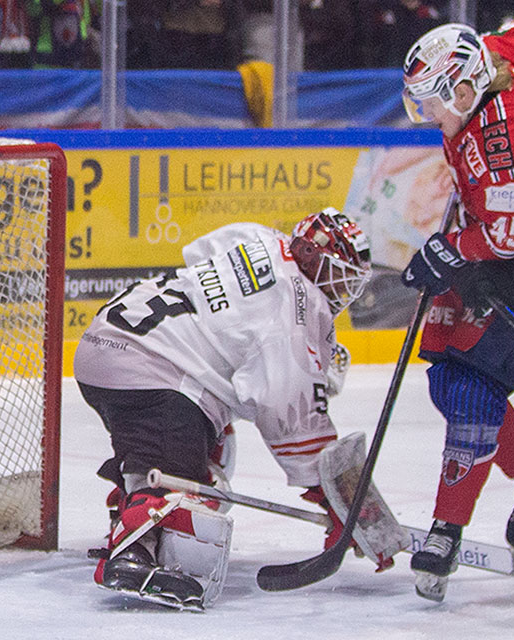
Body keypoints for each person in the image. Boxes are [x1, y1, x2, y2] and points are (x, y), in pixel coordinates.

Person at [75, 208, 373, 611]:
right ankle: (133, 550)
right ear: (314, 258)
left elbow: (200, 251)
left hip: (115, 341)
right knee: (176, 479)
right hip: (150, 366)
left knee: (216, 442)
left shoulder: (260, 238)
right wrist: (332, 496)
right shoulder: (296, 311)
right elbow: (292, 418)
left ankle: (138, 493)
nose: (344, 289)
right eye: (342, 274)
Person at [399, 21, 514, 601]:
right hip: (502, 237)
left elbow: (511, 232)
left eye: (434, 104)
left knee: (473, 387)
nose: (430, 116)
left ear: (462, 91)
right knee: (445, 373)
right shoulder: (488, 60)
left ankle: (446, 529)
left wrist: (448, 249)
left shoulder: (500, 139)